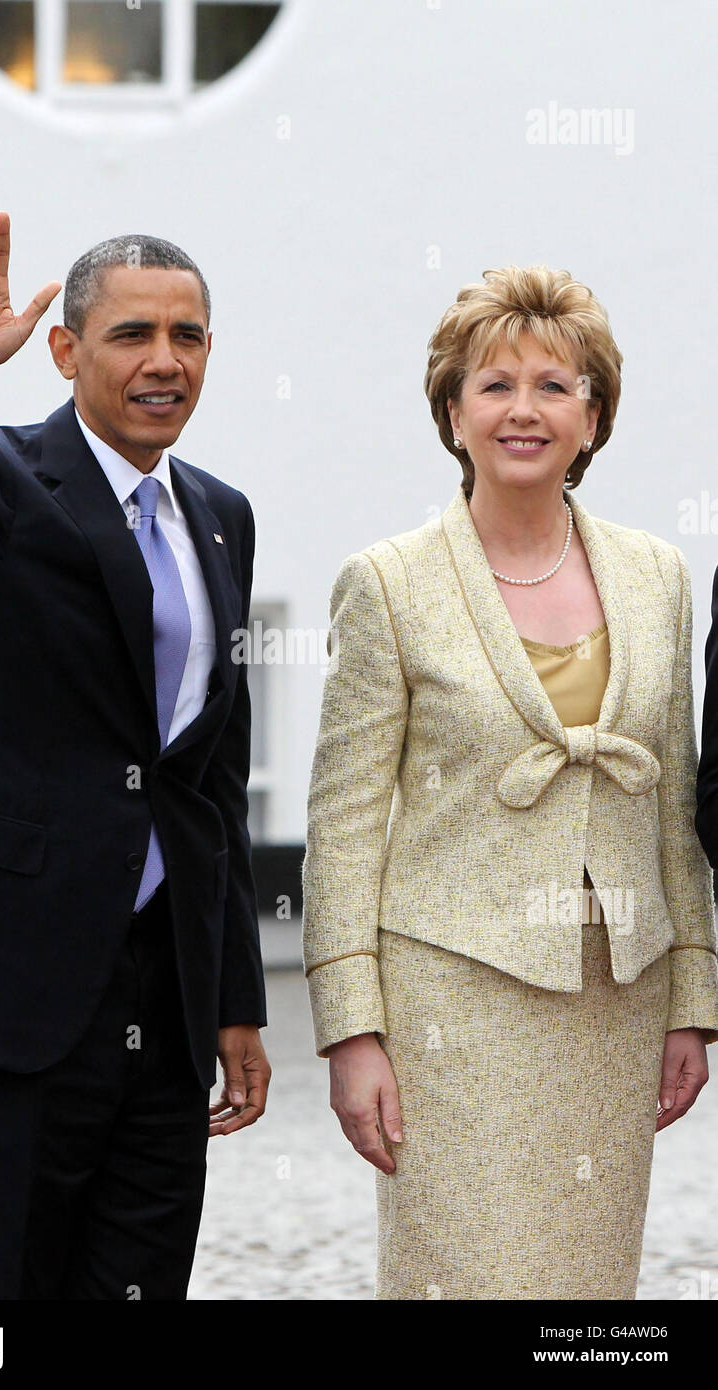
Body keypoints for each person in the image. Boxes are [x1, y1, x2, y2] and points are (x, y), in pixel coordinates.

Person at [0, 206, 271, 1300]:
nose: (162, 362)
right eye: (132, 334)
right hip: (7, 975)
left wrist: (234, 998)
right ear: (65, 349)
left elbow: (209, 780)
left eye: (186, 338)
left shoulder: (221, 516)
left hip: (163, 981)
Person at [302, 264, 718, 1301]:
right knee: (463, 1278)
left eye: (552, 385)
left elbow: (673, 808)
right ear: (451, 412)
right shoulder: (387, 581)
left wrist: (693, 1001)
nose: (522, 410)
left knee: (585, 1292)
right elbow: (342, 824)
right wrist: (351, 1030)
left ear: (592, 416)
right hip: (450, 1004)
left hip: (610, 1002)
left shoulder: (656, 576)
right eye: (493, 385)